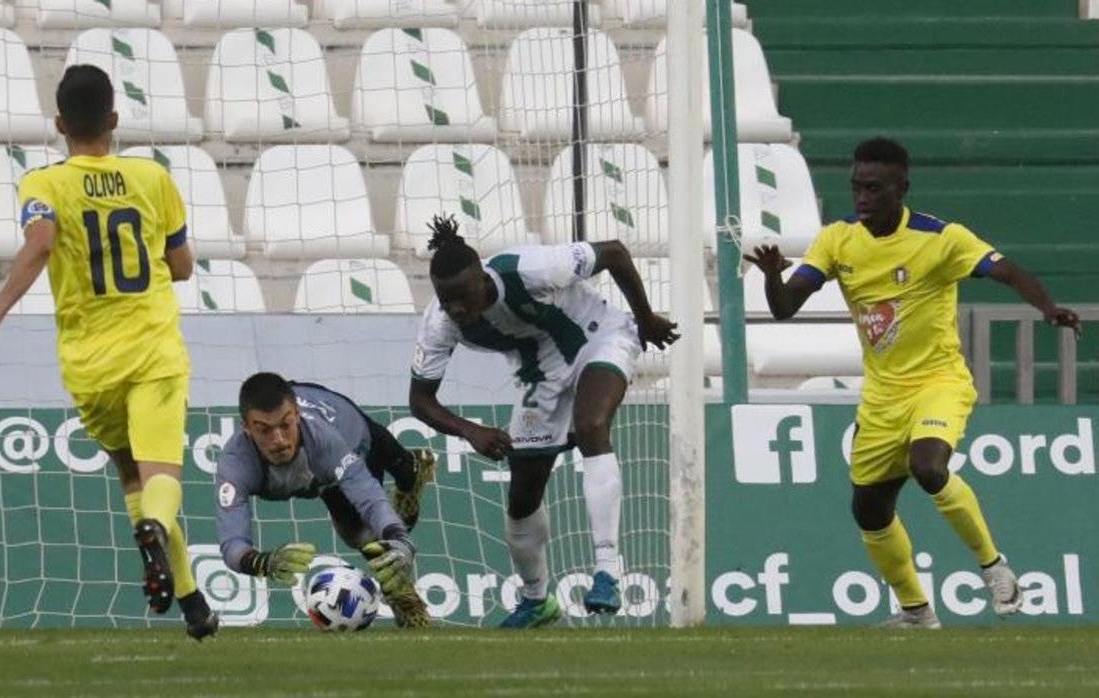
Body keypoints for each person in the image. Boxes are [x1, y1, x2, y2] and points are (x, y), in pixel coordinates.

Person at [744, 136, 1082, 628]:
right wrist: (774, 276)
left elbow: (1006, 271)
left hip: (937, 381)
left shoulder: (940, 238)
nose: (862, 198)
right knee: (869, 508)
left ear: (901, 188)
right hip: (882, 396)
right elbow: (784, 308)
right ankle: (916, 611)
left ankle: (994, 567)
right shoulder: (838, 240)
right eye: (857, 187)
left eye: (874, 188)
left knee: (928, 466)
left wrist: (1048, 308)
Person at [0, 65, 218, 640]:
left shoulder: (42, 185)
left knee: (129, 470)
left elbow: (41, 241)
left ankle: (193, 602)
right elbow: (181, 267)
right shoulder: (153, 178)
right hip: (153, 349)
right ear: (113, 120)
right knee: (161, 479)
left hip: (89, 362)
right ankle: (154, 531)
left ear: (59, 124)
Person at [408, 215, 679, 628]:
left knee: (591, 426)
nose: (457, 308)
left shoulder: (531, 267)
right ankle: (536, 600)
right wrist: (470, 430)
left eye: (463, 296)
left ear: (482, 277)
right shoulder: (440, 323)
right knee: (522, 497)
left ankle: (607, 570)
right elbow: (419, 399)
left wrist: (644, 317)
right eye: (448, 301)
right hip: (541, 377)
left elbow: (615, 253)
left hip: (598, 337)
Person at [215, 372, 436, 628]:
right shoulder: (235, 465)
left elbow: (370, 499)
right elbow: (232, 543)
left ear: (296, 415)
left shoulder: (326, 441)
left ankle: (401, 595)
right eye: (264, 430)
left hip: (350, 430)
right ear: (247, 428)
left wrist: (402, 541)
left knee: (368, 534)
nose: (278, 440)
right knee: (356, 536)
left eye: (285, 425)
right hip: (321, 475)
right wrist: (259, 563)